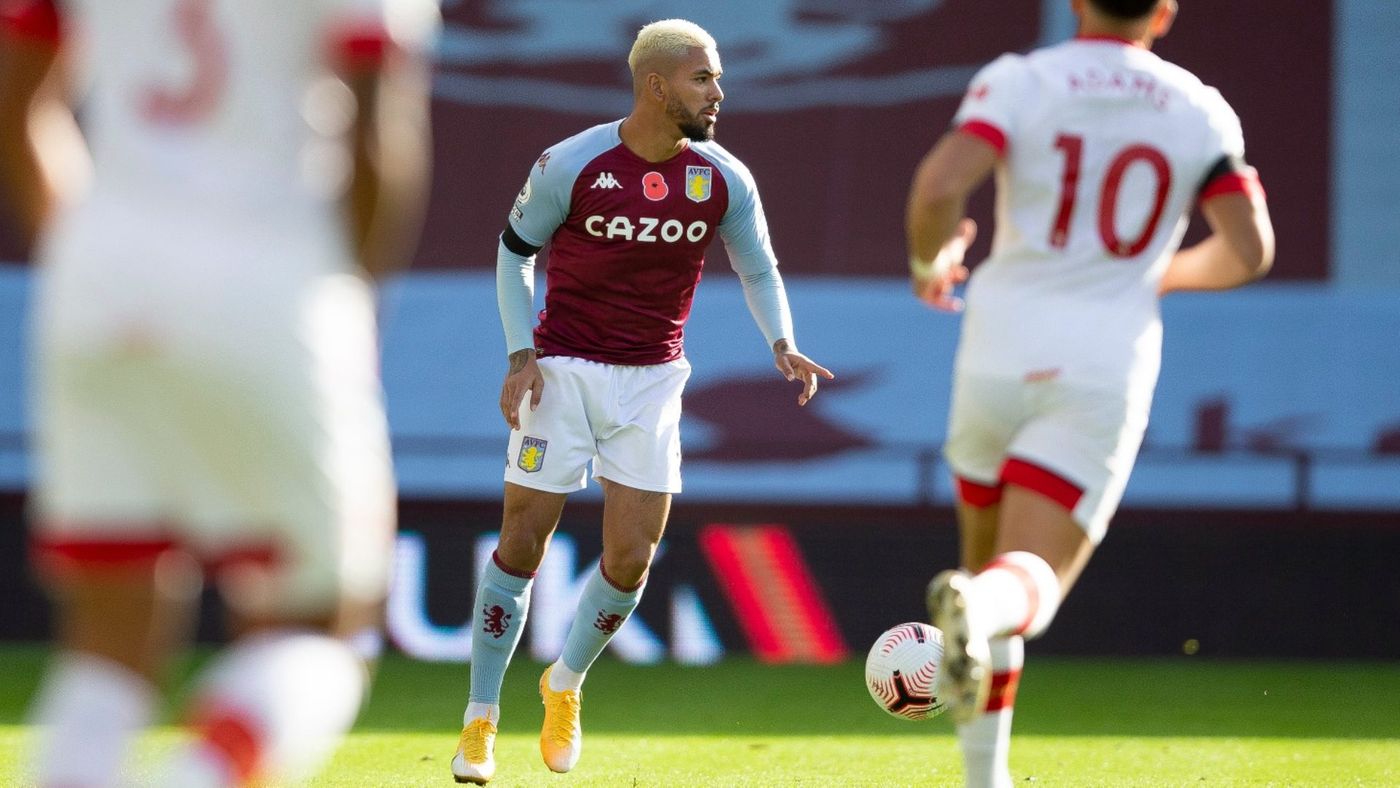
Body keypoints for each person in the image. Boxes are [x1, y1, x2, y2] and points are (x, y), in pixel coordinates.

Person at [0, 0, 437, 784]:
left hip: (101, 278)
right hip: (268, 282)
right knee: (321, 628)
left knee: (106, 639)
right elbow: (378, 132)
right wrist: (348, 305)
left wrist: (91, 255)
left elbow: (18, 105)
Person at [450, 17, 834, 785]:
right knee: (521, 544)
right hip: (562, 372)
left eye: (718, 78)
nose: (718, 93)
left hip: (653, 380)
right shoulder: (571, 163)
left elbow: (759, 269)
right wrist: (521, 355)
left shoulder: (723, 177)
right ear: (657, 86)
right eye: (704, 78)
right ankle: (480, 719)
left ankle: (564, 682)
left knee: (630, 559)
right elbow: (513, 254)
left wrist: (782, 342)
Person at [905, 0, 1274, 785]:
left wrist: (928, 266)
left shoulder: (1022, 79)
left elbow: (939, 185)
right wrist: (1152, 275)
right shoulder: (1198, 107)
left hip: (996, 348)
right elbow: (1248, 251)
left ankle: (984, 778)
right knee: (1021, 586)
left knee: (988, 573)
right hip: (1100, 359)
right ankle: (977, 609)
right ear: (1164, 12)